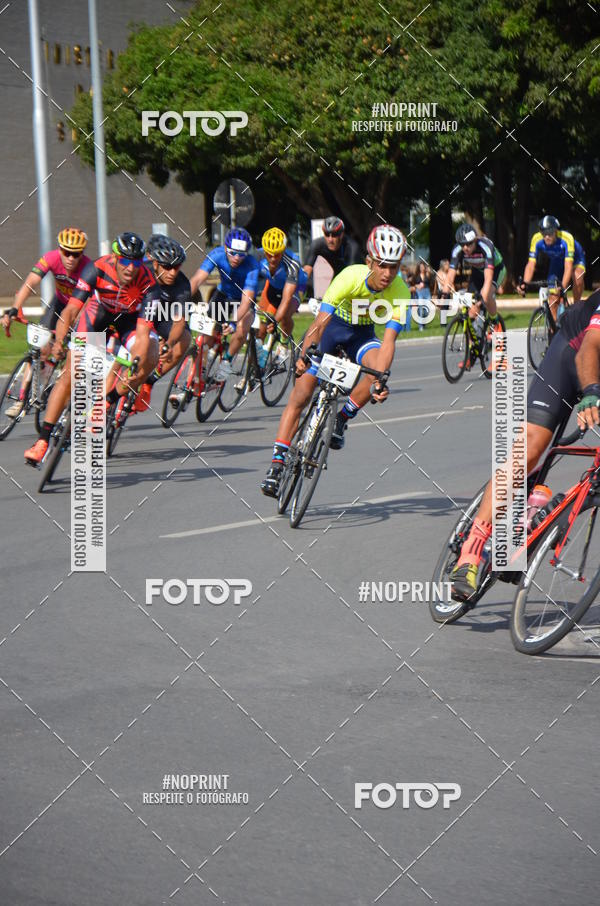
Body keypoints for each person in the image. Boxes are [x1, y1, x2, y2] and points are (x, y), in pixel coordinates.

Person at [450, 288, 600, 600]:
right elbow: (590, 348)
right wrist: (591, 391)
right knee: (530, 449)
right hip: (572, 353)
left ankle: (536, 516)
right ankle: (472, 551)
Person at [260, 224, 410, 498]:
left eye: (395, 266)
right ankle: (277, 462)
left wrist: (379, 379)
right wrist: (305, 354)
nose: (388, 273)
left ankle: (342, 418)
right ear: (369, 262)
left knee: (378, 368)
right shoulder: (349, 277)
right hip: (331, 330)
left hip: (361, 336)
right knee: (302, 392)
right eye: (383, 265)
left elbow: (389, 342)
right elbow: (319, 323)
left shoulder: (401, 292)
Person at [24, 232, 160, 465]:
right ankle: (43, 440)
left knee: (150, 357)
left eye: (136, 262)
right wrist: (59, 341)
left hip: (130, 321)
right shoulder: (96, 269)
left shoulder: (149, 284)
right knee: (70, 374)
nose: (130, 268)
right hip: (99, 315)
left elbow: (144, 332)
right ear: (116, 258)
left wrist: (137, 359)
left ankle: (107, 400)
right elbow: (70, 310)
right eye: (125, 261)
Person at [2, 228, 91, 418]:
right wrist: (14, 308)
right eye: (66, 252)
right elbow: (30, 283)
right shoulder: (51, 258)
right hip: (59, 303)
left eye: (76, 254)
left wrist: (69, 331)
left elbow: (89, 304)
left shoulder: (88, 268)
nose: (70, 258)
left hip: (81, 307)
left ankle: (61, 381)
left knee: (70, 348)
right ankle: (22, 399)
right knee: (39, 346)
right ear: (59, 250)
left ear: (82, 254)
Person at [189, 228, 259, 380]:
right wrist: (182, 301)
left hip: (242, 302)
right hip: (223, 296)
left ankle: (227, 361)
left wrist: (233, 321)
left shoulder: (252, 266)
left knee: (241, 329)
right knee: (205, 338)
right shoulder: (217, 254)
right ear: (226, 248)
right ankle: (196, 378)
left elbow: (246, 301)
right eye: (232, 252)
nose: (236, 258)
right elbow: (197, 280)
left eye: (241, 254)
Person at [446, 223, 504, 366]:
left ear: (475, 241)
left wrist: (481, 299)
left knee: (486, 295)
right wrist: (444, 292)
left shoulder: (485, 246)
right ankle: (473, 352)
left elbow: (489, 278)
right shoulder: (458, 249)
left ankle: (495, 322)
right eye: (462, 244)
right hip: (477, 274)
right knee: (469, 314)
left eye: (469, 244)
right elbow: (450, 274)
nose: (465, 248)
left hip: (496, 270)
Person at [144, 234, 192, 406]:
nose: (172, 272)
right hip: (138, 313)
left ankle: (149, 382)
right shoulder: (142, 270)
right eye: (167, 267)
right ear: (155, 263)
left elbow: (179, 322)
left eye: (176, 267)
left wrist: (169, 343)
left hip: (163, 316)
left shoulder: (182, 285)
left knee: (184, 339)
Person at [518, 215, 585, 311]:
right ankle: (553, 325)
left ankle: (576, 308)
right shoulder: (536, 239)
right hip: (557, 261)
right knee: (553, 297)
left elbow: (568, 267)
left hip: (575, 259)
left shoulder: (566, 238)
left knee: (577, 277)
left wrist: (562, 288)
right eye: (544, 233)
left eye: (550, 233)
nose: (547, 236)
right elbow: (531, 265)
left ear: (556, 231)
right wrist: (525, 284)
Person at [256, 227, 306, 353]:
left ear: (283, 251)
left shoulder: (292, 262)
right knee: (261, 328)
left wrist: (275, 321)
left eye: (277, 254)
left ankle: (284, 344)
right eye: (269, 254)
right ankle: (257, 364)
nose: (272, 259)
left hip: (295, 289)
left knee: (283, 317)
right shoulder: (256, 256)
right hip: (273, 286)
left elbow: (287, 298)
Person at [302, 216, 362, 288]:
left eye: (334, 235)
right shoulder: (317, 244)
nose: (330, 240)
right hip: (337, 276)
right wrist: (299, 293)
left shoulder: (352, 247)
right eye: (327, 234)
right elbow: (306, 271)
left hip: (357, 279)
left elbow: (353, 277)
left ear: (341, 235)